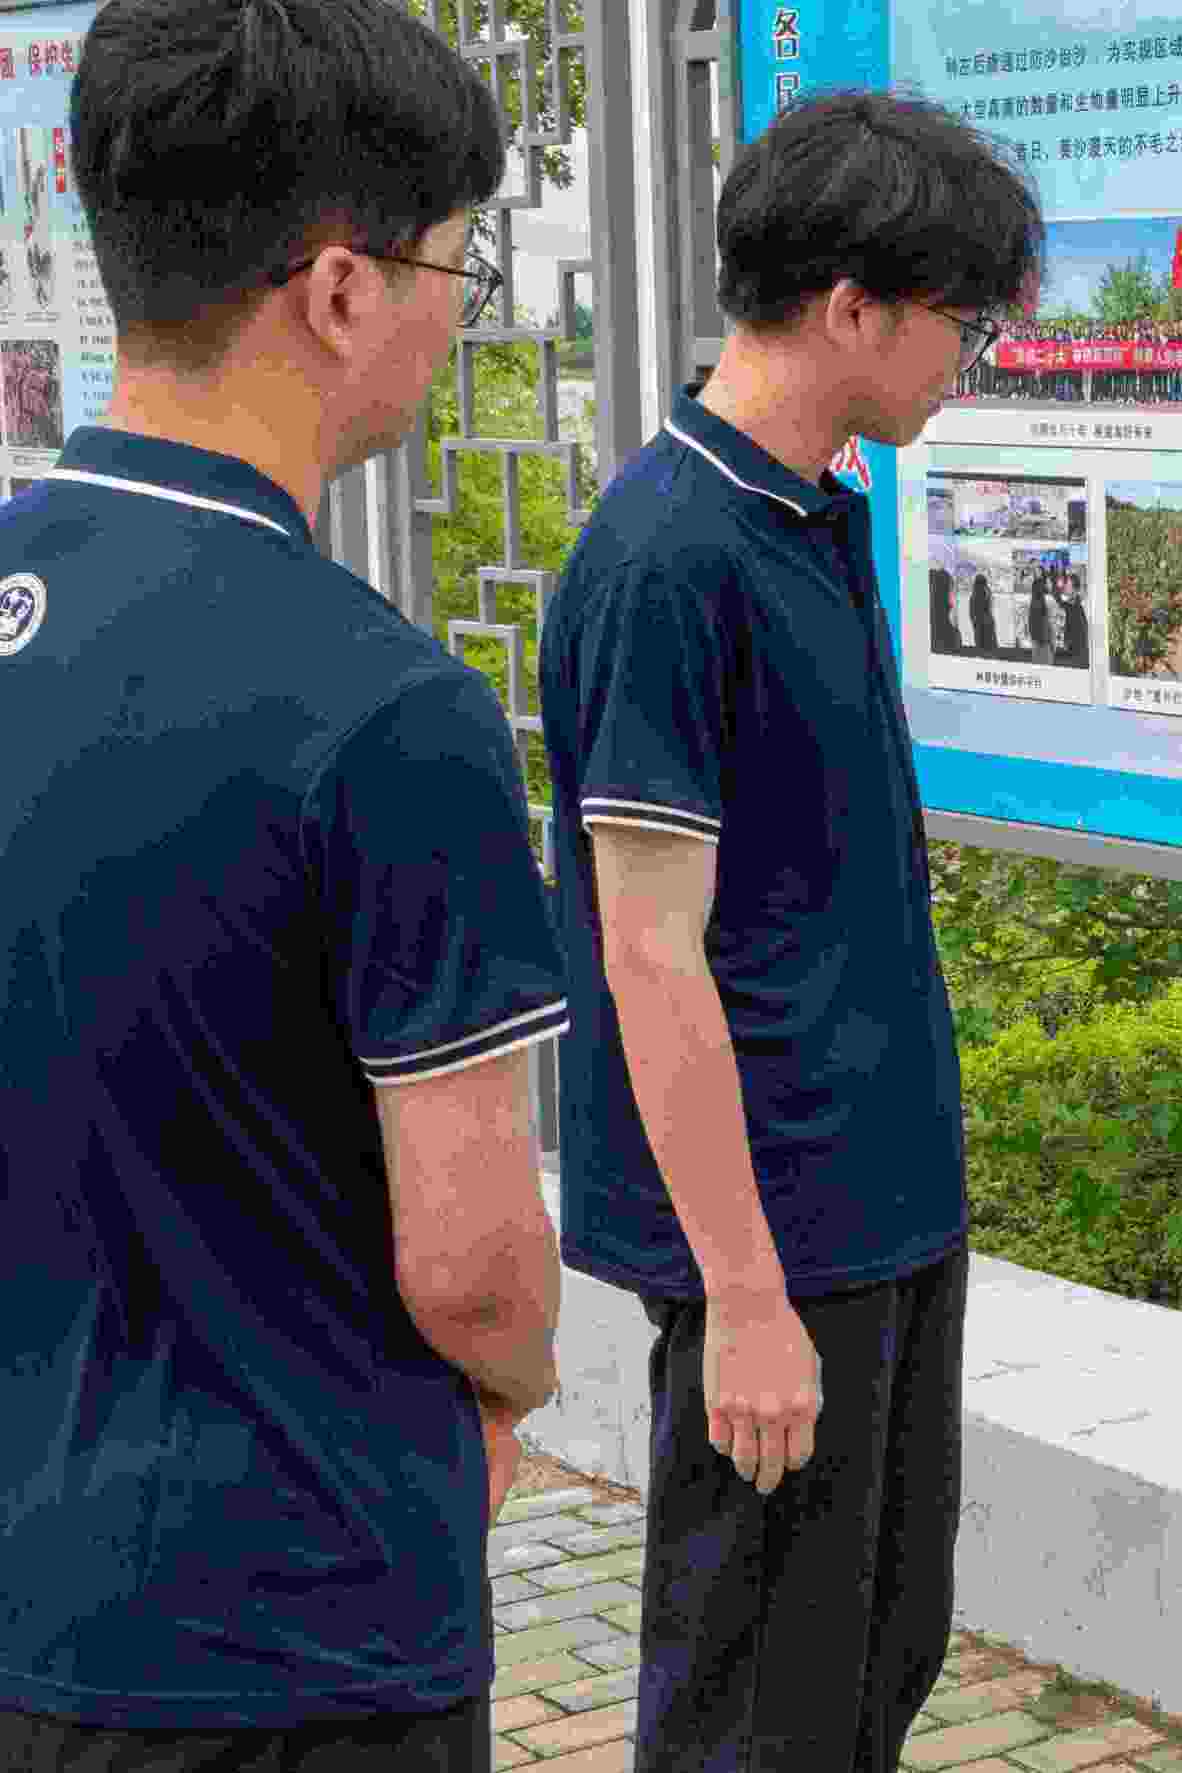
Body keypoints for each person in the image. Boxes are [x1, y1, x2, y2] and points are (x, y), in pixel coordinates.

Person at [1, 2, 566, 1765]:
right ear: (338, 290)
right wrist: (518, 1392)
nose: (443, 328)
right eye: (451, 276)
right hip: (294, 1636)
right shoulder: (385, 708)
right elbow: (475, 1265)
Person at [535, 90, 1040, 1773]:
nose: (964, 358)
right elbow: (647, 949)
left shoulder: (817, 515)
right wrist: (744, 1297)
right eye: (958, 322)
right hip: (777, 1239)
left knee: (872, 1652)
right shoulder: (670, 556)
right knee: (755, 1697)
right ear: (850, 307)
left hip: (882, 1207)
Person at [970, 567, 997, 654]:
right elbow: (990, 607)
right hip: (988, 622)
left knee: (981, 649)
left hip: (979, 624)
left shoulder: (974, 596)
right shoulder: (988, 592)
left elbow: (972, 614)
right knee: (991, 648)